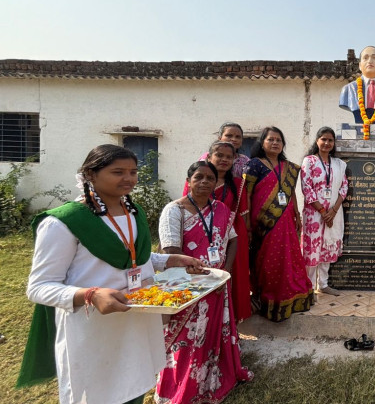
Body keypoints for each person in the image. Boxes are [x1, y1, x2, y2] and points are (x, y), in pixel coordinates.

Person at [19, 144, 206, 404]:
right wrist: (90, 294)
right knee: (98, 394)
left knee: (134, 387)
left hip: (136, 322)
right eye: (117, 172)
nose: (128, 178)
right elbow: (39, 287)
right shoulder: (64, 222)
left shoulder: (133, 212)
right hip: (93, 329)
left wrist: (168, 260)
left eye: (133, 171)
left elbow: (131, 260)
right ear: (90, 174)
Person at [157, 161, 253, 403]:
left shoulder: (220, 209)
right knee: (186, 336)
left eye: (210, 178)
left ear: (215, 183)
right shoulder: (174, 210)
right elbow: (169, 249)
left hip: (216, 283)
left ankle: (212, 379)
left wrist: (226, 270)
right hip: (186, 285)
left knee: (213, 333)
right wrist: (188, 268)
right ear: (189, 180)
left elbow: (233, 239)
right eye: (199, 177)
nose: (204, 182)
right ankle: (182, 386)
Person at [244, 126, 313, 321]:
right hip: (263, 223)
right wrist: (248, 222)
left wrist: (297, 215)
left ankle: (291, 297)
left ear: (283, 144)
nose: (275, 143)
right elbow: (247, 195)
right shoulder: (254, 165)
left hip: (286, 221)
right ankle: (268, 298)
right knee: (267, 260)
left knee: (289, 257)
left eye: (278, 140)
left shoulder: (288, 167)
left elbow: (291, 194)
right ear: (262, 143)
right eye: (270, 139)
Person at [187, 141, 252, 321]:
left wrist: (247, 235)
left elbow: (243, 213)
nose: (224, 160)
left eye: (229, 157)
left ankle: (231, 322)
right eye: (219, 155)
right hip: (200, 234)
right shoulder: (198, 178)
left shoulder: (238, 183)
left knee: (234, 277)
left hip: (233, 236)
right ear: (209, 157)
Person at [301, 127, 349, 296]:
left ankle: (323, 284)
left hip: (334, 214)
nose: (327, 143)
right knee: (313, 250)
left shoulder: (339, 164)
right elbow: (306, 188)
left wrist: (333, 211)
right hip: (314, 214)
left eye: (330, 140)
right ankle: (308, 286)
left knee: (328, 247)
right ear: (317, 141)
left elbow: (344, 188)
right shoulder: (309, 161)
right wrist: (322, 211)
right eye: (323, 139)